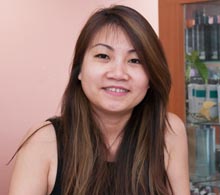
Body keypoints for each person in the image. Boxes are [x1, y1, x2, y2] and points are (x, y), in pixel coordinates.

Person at [9, 5, 190, 195]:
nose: (118, 73)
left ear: (151, 77)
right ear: (79, 70)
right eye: (103, 56)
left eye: (135, 60)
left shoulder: (168, 132)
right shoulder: (42, 142)